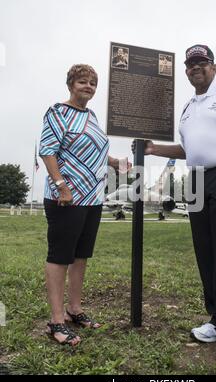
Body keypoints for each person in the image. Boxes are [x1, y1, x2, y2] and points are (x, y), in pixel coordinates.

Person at [134, 44, 216, 363]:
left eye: (202, 62)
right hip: (196, 179)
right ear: (186, 72)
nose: (196, 67)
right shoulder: (187, 109)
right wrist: (154, 149)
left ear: (214, 67)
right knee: (205, 252)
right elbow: (188, 149)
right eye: (191, 64)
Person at [39, 64, 131, 346]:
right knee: (60, 256)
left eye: (93, 83)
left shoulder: (91, 116)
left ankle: (74, 310)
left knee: (81, 256)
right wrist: (60, 185)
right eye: (82, 82)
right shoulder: (58, 112)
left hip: (92, 197)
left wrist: (117, 162)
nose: (88, 86)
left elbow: (96, 152)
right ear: (70, 84)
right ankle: (56, 320)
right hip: (66, 197)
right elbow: (47, 150)